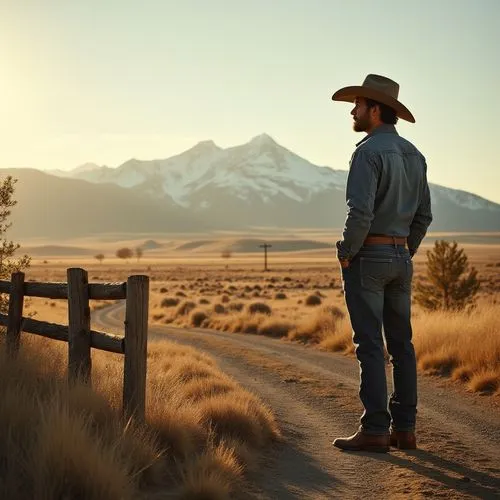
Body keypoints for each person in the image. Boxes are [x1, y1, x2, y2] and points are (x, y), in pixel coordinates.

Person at [330, 74, 433, 453]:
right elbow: (424, 217)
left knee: (370, 344)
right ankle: (404, 430)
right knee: (402, 345)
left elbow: (359, 213)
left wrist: (347, 252)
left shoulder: (367, 152)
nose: (353, 112)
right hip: (401, 257)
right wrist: (403, 251)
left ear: (375, 109)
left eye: (357, 105)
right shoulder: (415, 155)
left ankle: (375, 429)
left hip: (368, 257)